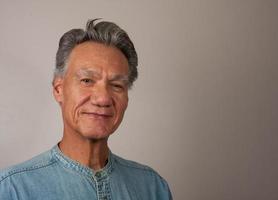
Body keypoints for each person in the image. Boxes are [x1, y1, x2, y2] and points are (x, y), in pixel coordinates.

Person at [0, 19, 172, 200]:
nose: (103, 98)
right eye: (87, 81)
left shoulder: (152, 187)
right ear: (59, 90)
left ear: (126, 98)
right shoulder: (12, 189)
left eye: (116, 85)